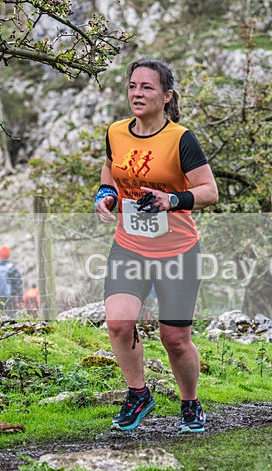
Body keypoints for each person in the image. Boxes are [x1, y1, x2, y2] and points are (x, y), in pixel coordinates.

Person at [94, 59, 218, 433]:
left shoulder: (181, 139)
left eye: (147, 87)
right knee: (118, 323)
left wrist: (171, 200)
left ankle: (190, 402)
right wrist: (106, 197)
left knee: (175, 338)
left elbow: (209, 192)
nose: (137, 93)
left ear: (166, 96)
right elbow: (109, 175)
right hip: (129, 246)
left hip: (177, 251)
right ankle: (138, 394)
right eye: (133, 86)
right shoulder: (116, 132)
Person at [0, 246, 24, 317]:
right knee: (9, 315)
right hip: (8, 297)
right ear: (9, 255)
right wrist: (20, 297)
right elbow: (18, 283)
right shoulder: (11, 267)